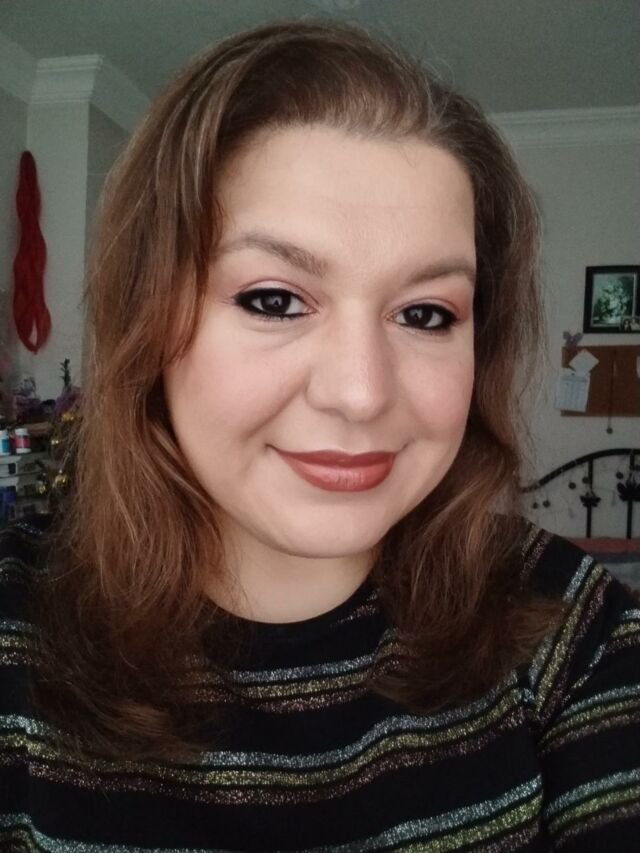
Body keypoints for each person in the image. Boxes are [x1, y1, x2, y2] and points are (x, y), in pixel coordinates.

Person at [1, 18, 639, 852]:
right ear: (148, 323)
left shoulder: (573, 628)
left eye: (425, 313)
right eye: (274, 300)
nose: (361, 393)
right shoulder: (19, 633)